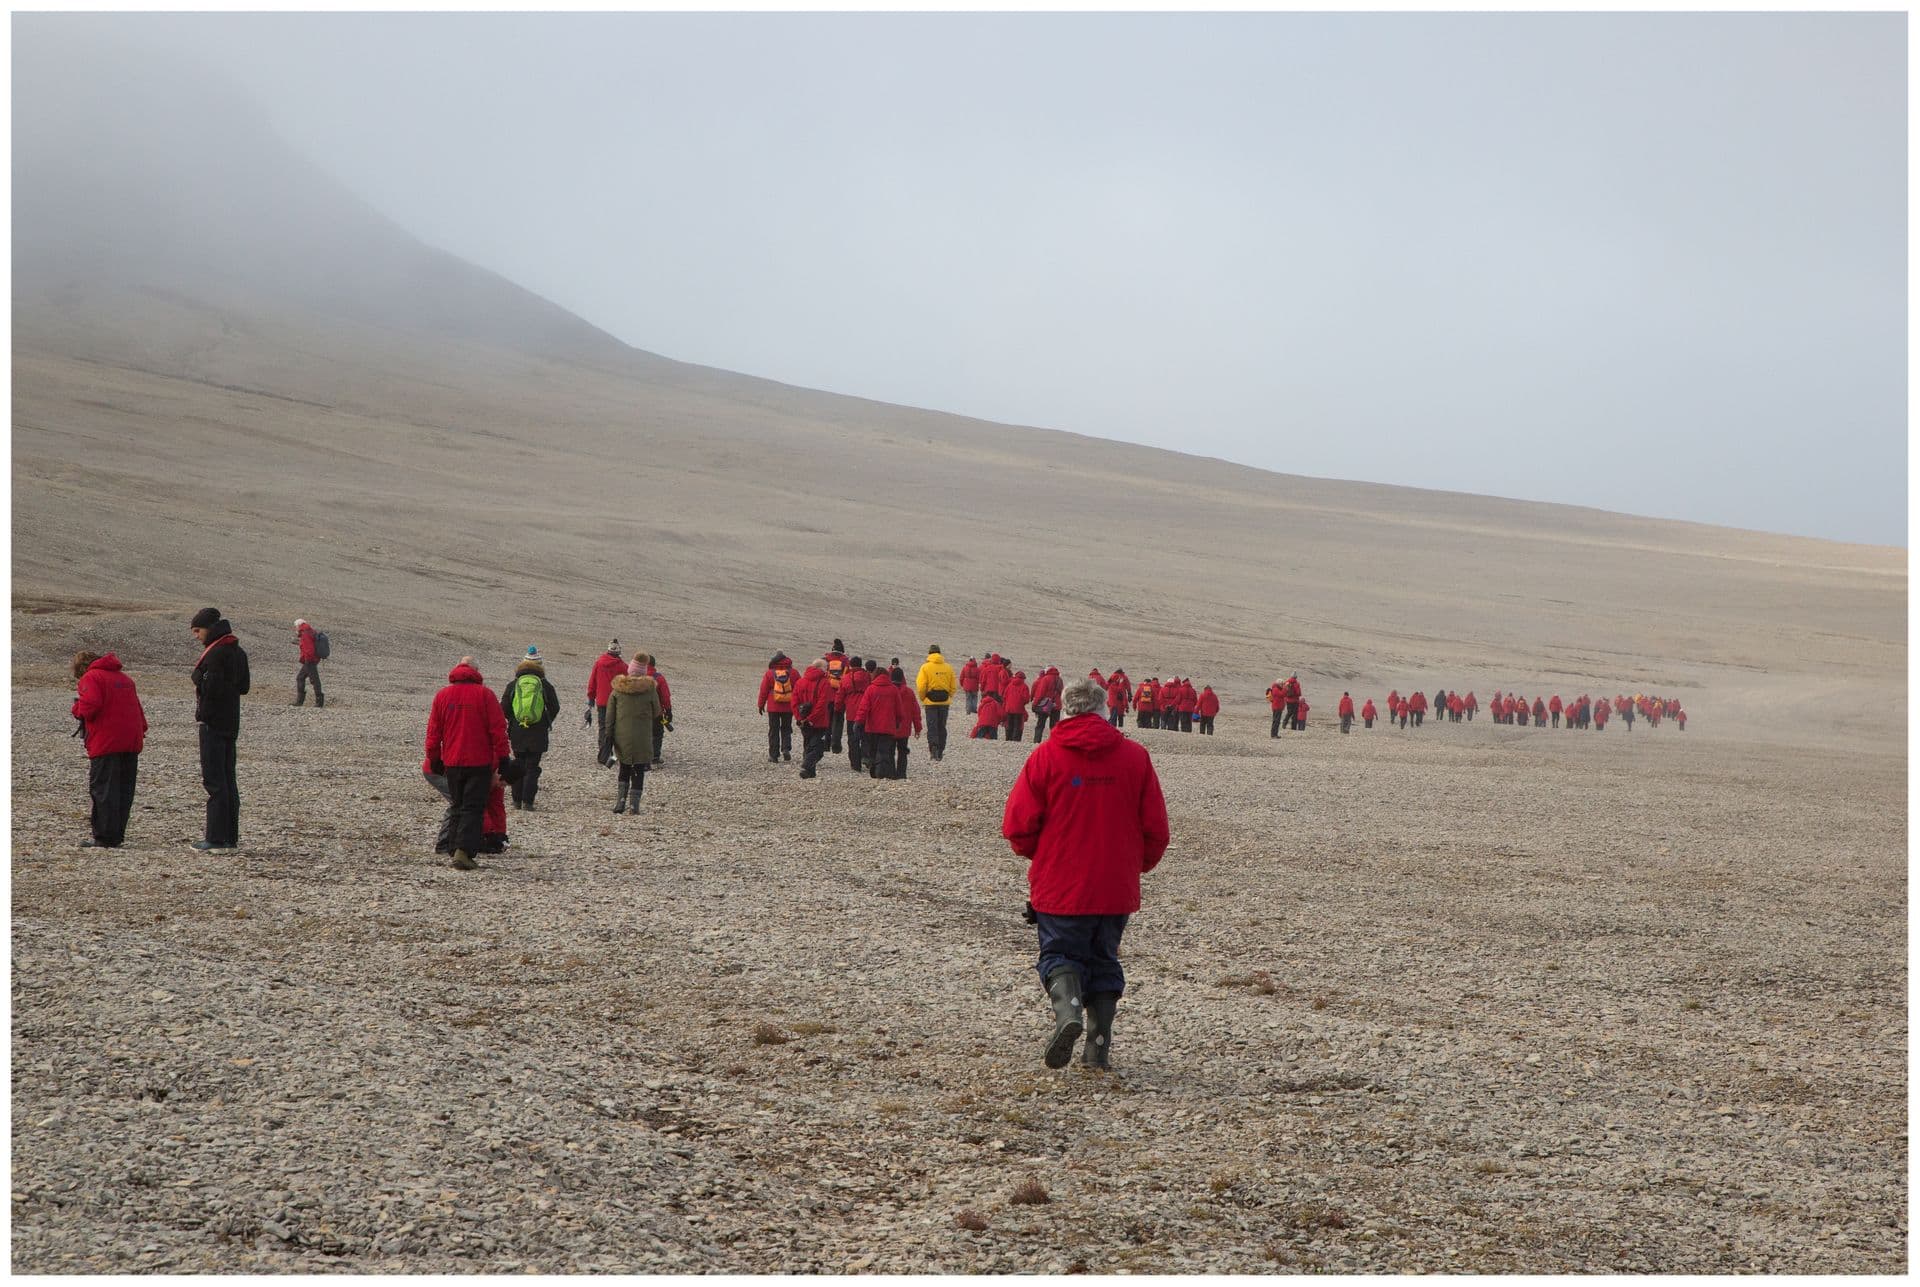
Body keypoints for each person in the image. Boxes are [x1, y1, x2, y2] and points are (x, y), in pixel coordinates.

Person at [1002, 677, 1169, 1071]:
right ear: (1103, 708)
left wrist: (1036, 854)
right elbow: (1156, 827)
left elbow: (1018, 826)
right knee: (1103, 958)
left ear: (1065, 708)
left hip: (1061, 883)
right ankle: (1098, 1046)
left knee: (1060, 953)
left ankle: (1069, 1013)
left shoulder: (1046, 757)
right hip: (1115, 884)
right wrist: (1136, 865)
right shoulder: (1134, 757)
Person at [424, 656, 510, 870]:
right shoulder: (485, 695)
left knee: (457, 805)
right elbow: (498, 730)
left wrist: (434, 757)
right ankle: (464, 852)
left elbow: (434, 732)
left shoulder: (442, 695)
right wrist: (503, 758)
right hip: (478, 762)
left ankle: (453, 848)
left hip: (452, 761)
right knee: (473, 807)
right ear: (476, 672)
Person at [188, 608, 250, 854]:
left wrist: (198, 677)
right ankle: (229, 837)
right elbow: (244, 687)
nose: (196, 636)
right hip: (231, 722)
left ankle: (215, 837)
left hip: (213, 722)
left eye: (197, 630)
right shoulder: (238, 651)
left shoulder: (216, 653)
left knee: (214, 781)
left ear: (210, 628)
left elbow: (210, 687)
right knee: (228, 780)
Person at [71, 650, 147, 848]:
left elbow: (90, 706)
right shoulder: (125, 678)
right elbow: (138, 710)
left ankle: (104, 836)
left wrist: (76, 709)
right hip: (130, 740)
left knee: (104, 788)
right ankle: (117, 835)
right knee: (124, 789)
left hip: (106, 742)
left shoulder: (91, 677)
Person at [500, 647, 560, 810]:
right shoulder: (545, 684)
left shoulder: (514, 684)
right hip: (538, 731)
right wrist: (545, 721)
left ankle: (516, 800)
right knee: (532, 766)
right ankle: (528, 802)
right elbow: (555, 707)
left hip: (517, 730)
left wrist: (514, 719)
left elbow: (504, 707)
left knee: (518, 763)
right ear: (540, 666)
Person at [604, 658, 663, 813]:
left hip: (622, 736)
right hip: (643, 736)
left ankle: (620, 802)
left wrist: (608, 736)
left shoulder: (618, 690)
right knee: (638, 768)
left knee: (624, 767)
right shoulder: (649, 690)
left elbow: (609, 716)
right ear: (643, 672)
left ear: (629, 670)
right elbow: (657, 711)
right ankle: (634, 806)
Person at [914, 646, 958, 762]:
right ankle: (941, 750)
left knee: (932, 726)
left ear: (929, 654)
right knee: (941, 726)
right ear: (940, 653)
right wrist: (949, 696)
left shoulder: (925, 667)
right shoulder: (948, 667)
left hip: (931, 702)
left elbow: (921, 686)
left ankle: (934, 749)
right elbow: (954, 685)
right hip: (944, 702)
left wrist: (923, 698)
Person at [859, 665, 902, 778]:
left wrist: (859, 722)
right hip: (888, 725)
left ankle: (874, 772)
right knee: (884, 750)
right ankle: (881, 771)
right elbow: (899, 709)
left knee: (873, 749)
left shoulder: (870, 688)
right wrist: (898, 722)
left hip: (872, 726)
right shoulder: (893, 689)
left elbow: (864, 708)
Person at [585, 641, 625, 761]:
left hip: (602, 701)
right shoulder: (622, 666)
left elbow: (592, 681)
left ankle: (604, 754)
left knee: (603, 727)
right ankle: (613, 754)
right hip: (617, 702)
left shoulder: (599, 663)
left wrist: (591, 697)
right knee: (615, 727)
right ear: (618, 652)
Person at [792, 658, 832, 778]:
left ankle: (809, 772)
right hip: (818, 721)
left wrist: (799, 717)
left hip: (803, 719)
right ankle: (807, 766)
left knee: (808, 744)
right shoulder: (824, 682)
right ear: (820, 668)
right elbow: (822, 703)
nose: (827, 670)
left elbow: (794, 701)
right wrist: (811, 718)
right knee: (818, 748)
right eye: (826, 667)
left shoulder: (801, 681)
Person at [631, 652, 672, 765]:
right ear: (654, 665)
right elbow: (665, 696)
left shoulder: (635, 676)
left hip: (637, 711)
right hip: (656, 712)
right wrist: (668, 711)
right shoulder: (659, 678)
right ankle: (654, 757)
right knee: (657, 733)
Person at [758, 652, 797, 762]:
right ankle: (786, 748)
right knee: (786, 728)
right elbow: (800, 689)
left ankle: (773, 755)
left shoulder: (769, 673)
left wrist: (761, 705)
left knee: (773, 730)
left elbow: (763, 691)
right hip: (789, 706)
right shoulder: (793, 673)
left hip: (773, 706)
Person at [890, 665, 923, 778]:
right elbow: (916, 712)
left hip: (890, 727)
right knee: (903, 751)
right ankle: (901, 773)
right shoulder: (909, 692)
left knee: (890, 751)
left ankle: (891, 773)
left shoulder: (888, 691)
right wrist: (918, 728)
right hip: (904, 728)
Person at [842, 656, 872, 772]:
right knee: (866, 736)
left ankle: (855, 764)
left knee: (853, 739)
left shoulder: (846, 678)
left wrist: (838, 708)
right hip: (865, 711)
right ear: (861, 665)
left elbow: (840, 694)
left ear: (850, 665)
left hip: (851, 713)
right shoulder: (868, 677)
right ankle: (866, 756)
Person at [824, 640, 851, 753]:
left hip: (827, 695)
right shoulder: (846, 662)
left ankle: (825, 743)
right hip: (841, 695)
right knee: (838, 720)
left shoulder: (825, 660)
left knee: (827, 719)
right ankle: (835, 745)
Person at [293, 618, 324, 708]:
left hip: (310, 660)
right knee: (301, 677)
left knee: (313, 680)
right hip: (312, 660)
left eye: (296, 627)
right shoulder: (309, 631)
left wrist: (307, 660)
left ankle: (318, 702)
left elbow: (309, 649)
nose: (295, 629)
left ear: (298, 626)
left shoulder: (305, 633)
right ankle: (301, 701)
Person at [1030, 665, 1064, 742]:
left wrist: (1035, 704)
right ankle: (1055, 742)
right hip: (1056, 705)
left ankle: (1037, 741)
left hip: (1045, 705)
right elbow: (1062, 692)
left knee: (1040, 725)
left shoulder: (1046, 679)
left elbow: (1040, 693)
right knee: (1054, 727)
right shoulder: (1060, 680)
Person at [1004, 669, 1031, 742]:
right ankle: (1015, 739)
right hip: (1019, 708)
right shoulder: (1024, 686)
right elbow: (1026, 699)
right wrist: (1022, 703)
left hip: (1009, 708)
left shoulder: (1010, 685)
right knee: (1017, 725)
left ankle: (1008, 738)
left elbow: (1005, 696)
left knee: (1009, 724)